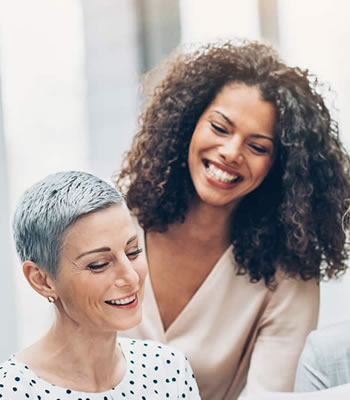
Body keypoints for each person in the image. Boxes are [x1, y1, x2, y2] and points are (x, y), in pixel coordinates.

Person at [114, 39, 350, 400]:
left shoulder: (287, 275)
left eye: (257, 147)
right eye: (220, 128)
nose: (231, 153)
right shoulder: (114, 219)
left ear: (280, 167)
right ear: (188, 123)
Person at [0, 171, 201, 399]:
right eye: (99, 264)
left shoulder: (168, 369)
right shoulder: (12, 391)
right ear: (41, 280)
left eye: (133, 251)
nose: (131, 277)